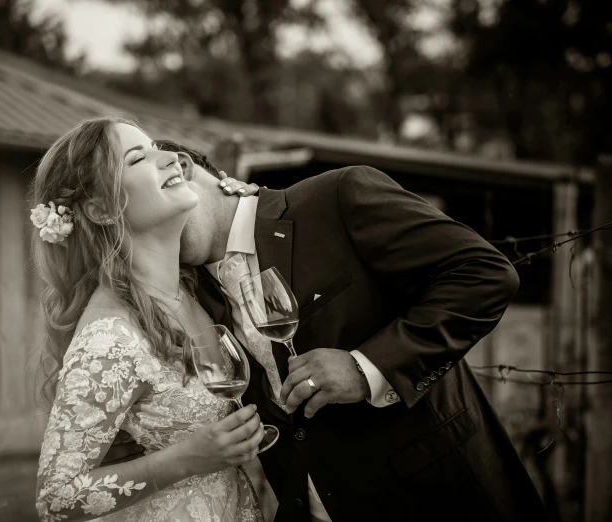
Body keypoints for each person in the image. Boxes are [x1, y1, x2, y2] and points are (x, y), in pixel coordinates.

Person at [151, 139, 551, 522]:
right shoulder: (189, 291)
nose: (151, 238)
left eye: (150, 217)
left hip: (437, 498)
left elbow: (485, 275)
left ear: (181, 169)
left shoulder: (339, 196)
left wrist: (366, 368)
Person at [30, 117, 266, 522]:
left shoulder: (197, 289)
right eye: (139, 158)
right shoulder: (109, 337)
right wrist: (188, 459)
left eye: (160, 147)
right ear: (102, 209)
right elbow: (57, 497)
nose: (171, 157)